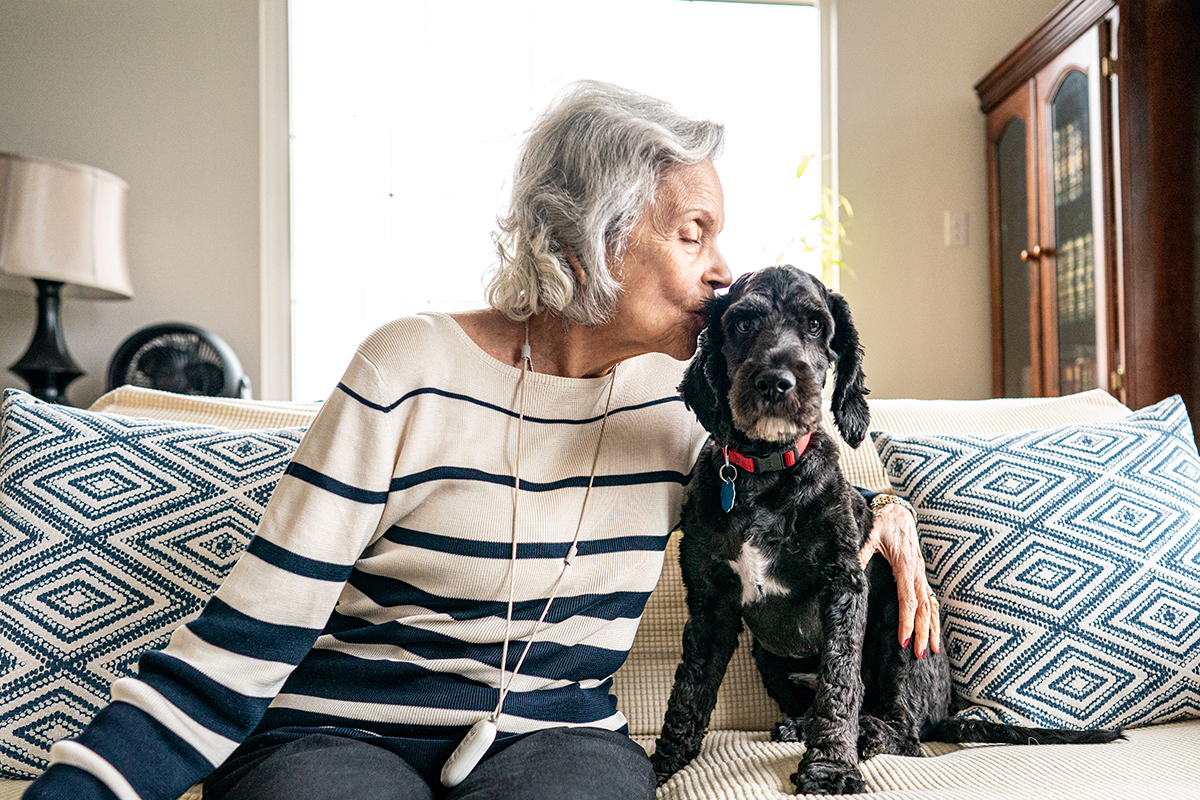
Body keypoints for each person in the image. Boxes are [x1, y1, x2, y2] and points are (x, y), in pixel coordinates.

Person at [24, 81, 938, 800]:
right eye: (694, 232)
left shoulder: (684, 400)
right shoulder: (405, 368)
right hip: (339, 732)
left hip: (559, 739)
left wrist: (883, 508)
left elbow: (800, 458)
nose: (722, 271)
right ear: (598, 233)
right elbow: (238, 642)